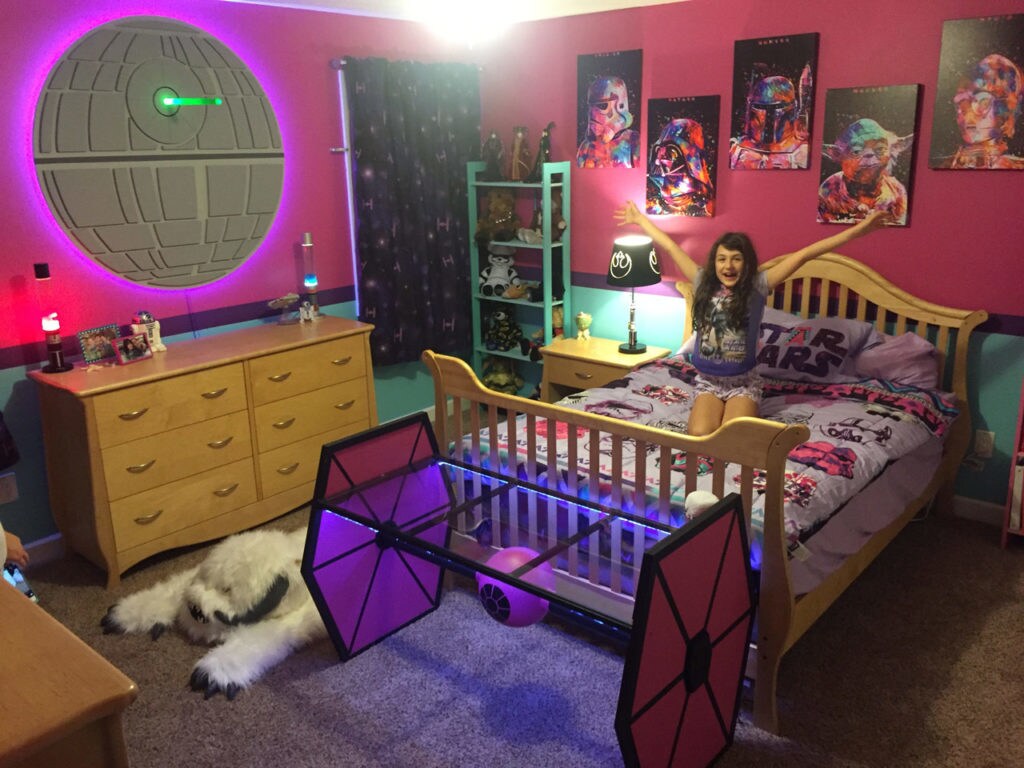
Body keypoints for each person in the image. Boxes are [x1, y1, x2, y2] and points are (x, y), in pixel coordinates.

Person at [613, 201, 891, 436]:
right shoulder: (702, 283)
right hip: (708, 381)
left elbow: (806, 254)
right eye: (722, 259)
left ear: (746, 263)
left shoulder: (758, 286)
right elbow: (672, 248)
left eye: (736, 259)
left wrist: (859, 230)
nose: (728, 266)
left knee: (733, 439)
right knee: (698, 436)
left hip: (743, 383)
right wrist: (639, 219)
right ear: (714, 262)